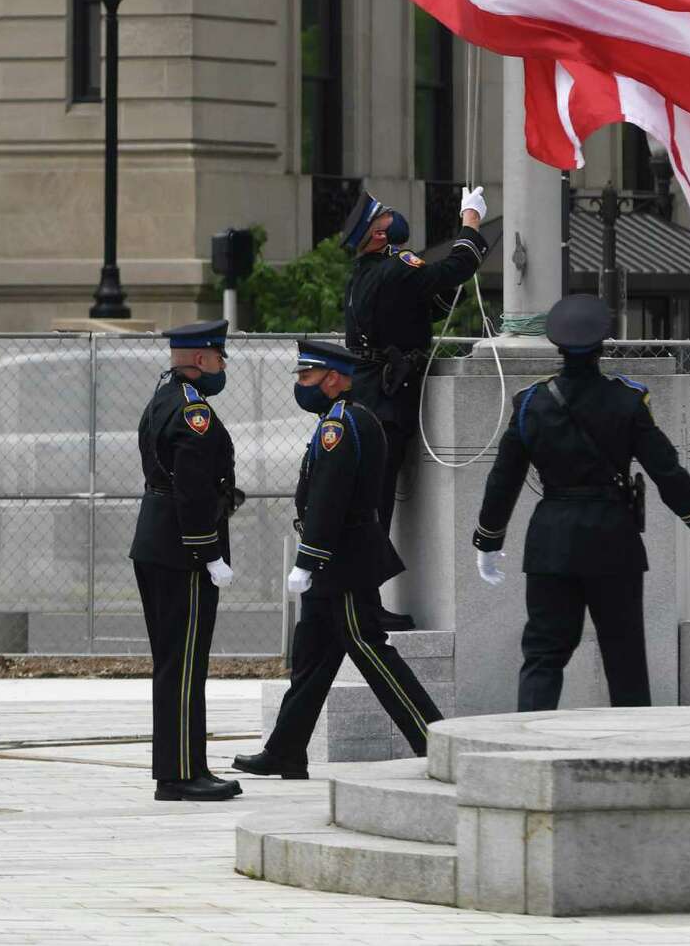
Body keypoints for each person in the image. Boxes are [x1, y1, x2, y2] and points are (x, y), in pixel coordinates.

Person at [473, 293, 690, 711]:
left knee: (543, 654)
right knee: (625, 654)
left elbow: (503, 478)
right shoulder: (627, 400)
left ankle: (526, 743)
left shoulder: (530, 404)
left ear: (557, 347)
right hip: (613, 539)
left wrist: (488, 540)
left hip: (550, 541)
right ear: (602, 345)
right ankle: (630, 752)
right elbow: (666, 471)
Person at [233, 339, 442, 777]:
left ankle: (434, 738)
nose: (301, 386)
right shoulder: (343, 419)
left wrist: (307, 558)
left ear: (332, 378)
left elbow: (330, 498)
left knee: (369, 649)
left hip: (342, 562)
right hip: (337, 559)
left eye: (306, 377)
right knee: (311, 660)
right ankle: (285, 751)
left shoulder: (341, 425)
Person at [129, 319, 243, 802]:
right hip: (183, 553)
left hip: (157, 542)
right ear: (201, 359)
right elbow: (192, 491)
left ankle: (185, 765)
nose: (221, 367)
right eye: (219, 358)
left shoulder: (163, 397)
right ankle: (179, 775)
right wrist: (209, 552)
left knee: (175, 663)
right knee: (184, 664)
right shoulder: (193, 413)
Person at [343, 185, 489, 539]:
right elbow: (459, 266)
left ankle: (362, 582)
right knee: (376, 504)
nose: (392, 217)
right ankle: (366, 586)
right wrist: (470, 220)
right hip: (388, 401)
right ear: (378, 234)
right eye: (384, 216)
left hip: (366, 394)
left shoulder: (363, 274)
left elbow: (416, 311)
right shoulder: (398, 266)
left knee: (368, 498)